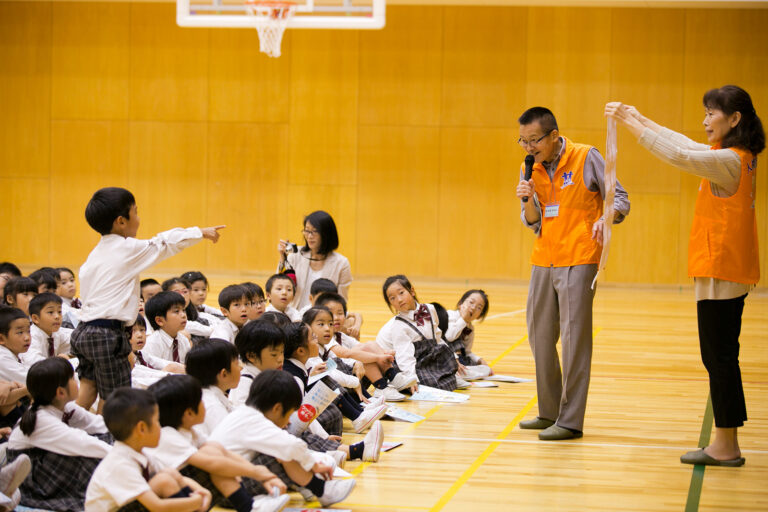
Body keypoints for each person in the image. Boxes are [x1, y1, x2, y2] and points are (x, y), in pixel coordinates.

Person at [606, 85, 764, 467]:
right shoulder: (728, 156)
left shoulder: (730, 160)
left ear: (734, 119)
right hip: (723, 270)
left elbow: (678, 154)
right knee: (722, 358)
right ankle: (727, 440)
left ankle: (726, 445)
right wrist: (641, 118)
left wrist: (629, 123)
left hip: (722, 271)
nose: (705, 120)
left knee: (720, 360)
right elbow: (683, 143)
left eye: (712, 113)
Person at [515, 107, 631, 441]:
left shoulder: (585, 156)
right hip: (544, 258)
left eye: (533, 140)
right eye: (522, 141)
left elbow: (619, 197)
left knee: (574, 339)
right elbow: (533, 221)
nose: (528, 147)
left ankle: (570, 420)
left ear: (553, 135)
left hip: (580, 257)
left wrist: (604, 218)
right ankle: (548, 410)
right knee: (539, 336)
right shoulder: (530, 168)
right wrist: (526, 201)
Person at [71, 187, 223, 411]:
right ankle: (106, 441)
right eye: (136, 212)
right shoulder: (126, 248)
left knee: (88, 390)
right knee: (115, 398)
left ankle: (71, 432)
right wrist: (200, 232)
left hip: (84, 331)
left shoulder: (96, 253)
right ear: (121, 221)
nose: (139, 218)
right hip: (106, 332)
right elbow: (163, 243)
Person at [208, 370, 356, 507]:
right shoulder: (255, 421)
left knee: (284, 450)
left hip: (228, 485)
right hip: (231, 491)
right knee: (285, 452)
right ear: (277, 408)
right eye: (288, 414)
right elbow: (291, 445)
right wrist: (313, 465)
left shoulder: (245, 414)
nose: (289, 421)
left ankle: (318, 489)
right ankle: (320, 489)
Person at [145, 375, 289, 512]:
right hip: (169, 491)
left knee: (214, 449)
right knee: (215, 461)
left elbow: (223, 452)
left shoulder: (191, 431)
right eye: (200, 401)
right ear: (189, 413)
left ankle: (249, 506)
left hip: (190, 485)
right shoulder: (168, 434)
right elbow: (211, 463)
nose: (204, 405)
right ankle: (248, 507)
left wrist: (262, 474)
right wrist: (256, 473)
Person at [7, 358, 112, 511]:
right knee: (91, 459)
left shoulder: (65, 406)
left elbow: (98, 424)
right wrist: (122, 454)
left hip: (48, 459)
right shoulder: (40, 420)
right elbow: (81, 443)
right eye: (72, 378)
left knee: (107, 438)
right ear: (60, 392)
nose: (77, 380)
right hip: (33, 476)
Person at [85, 387, 212, 511]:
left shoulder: (139, 453)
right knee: (164, 481)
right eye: (157, 421)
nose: (160, 427)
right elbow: (157, 506)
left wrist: (202, 492)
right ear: (141, 428)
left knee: (169, 473)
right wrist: (195, 501)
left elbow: (178, 477)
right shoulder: (119, 464)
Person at [375, 275, 460, 392]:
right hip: (415, 362)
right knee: (431, 385)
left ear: (412, 291)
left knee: (451, 371)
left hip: (432, 357)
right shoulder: (398, 326)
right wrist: (411, 378)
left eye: (401, 293)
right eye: (392, 298)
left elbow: (437, 336)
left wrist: (453, 357)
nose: (399, 300)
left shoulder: (430, 309)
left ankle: (443, 375)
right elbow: (404, 356)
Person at [277, 211, 352, 311]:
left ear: (327, 234)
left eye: (315, 231)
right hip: (293, 316)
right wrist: (283, 259)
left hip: (323, 319)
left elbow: (341, 301)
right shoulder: (295, 255)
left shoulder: (341, 263)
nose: (309, 236)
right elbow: (279, 286)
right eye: (307, 231)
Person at [183, 340, 241, 437]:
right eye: (236, 363)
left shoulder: (210, 395)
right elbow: (228, 439)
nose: (240, 368)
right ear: (224, 374)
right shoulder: (212, 405)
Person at [441, 290, 493, 380]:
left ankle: (462, 373)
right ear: (460, 304)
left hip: (460, 360)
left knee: (484, 369)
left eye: (479, 308)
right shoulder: (450, 315)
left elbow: (467, 352)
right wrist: (464, 320)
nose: (473, 308)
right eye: (471, 302)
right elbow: (449, 337)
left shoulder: (470, 329)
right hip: (444, 355)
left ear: (479, 316)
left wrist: (479, 360)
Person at [24, 293, 73, 366]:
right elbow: (32, 362)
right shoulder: (31, 336)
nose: (57, 316)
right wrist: (58, 362)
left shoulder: (56, 332)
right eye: (50, 312)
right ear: (35, 318)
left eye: (59, 312)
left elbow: (76, 338)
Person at [144, 292, 192, 365]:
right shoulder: (151, 343)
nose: (183, 315)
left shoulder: (183, 340)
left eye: (183, 310)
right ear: (160, 321)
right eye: (176, 311)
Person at [0, 306, 32, 384]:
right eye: (20, 332)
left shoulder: (17, 352)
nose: (27, 338)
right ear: (1, 339)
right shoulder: (2, 358)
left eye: (28, 331)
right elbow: (31, 381)